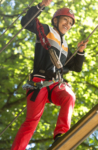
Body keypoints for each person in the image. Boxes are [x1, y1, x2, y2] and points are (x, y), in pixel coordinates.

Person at [11, 0, 88, 149]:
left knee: (69, 96)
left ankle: (60, 135)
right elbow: (26, 22)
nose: (68, 24)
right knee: (31, 122)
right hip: (39, 83)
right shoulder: (46, 31)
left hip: (54, 85)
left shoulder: (65, 45)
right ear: (56, 20)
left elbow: (76, 67)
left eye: (71, 23)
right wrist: (41, 6)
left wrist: (80, 51)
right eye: (65, 19)